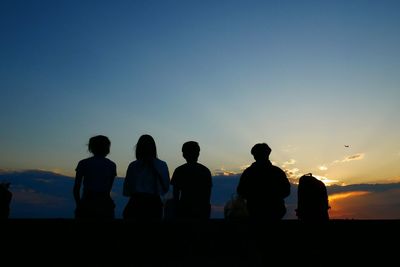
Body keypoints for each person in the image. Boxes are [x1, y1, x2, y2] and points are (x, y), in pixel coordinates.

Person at [237, 143, 290, 220]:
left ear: (254, 156)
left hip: (255, 211)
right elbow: (286, 191)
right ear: (268, 154)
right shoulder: (277, 172)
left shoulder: (249, 172)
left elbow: (241, 191)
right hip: (275, 212)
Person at [123, 134, 170, 220]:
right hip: (154, 204)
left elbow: (127, 190)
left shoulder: (133, 165)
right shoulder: (162, 165)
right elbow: (166, 188)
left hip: (135, 204)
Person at [73, 135, 117, 219]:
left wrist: (79, 204)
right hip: (105, 203)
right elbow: (108, 189)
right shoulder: (111, 165)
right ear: (107, 148)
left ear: (91, 148)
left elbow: (76, 187)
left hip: (87, 202)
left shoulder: (83, 163)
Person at [170, 141, 212, 219]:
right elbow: (208, 195)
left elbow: (175, 196)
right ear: (198, 154)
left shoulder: (179, 170)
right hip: (201, 211)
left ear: (184, 155)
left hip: (184, 211)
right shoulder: (205, 171)